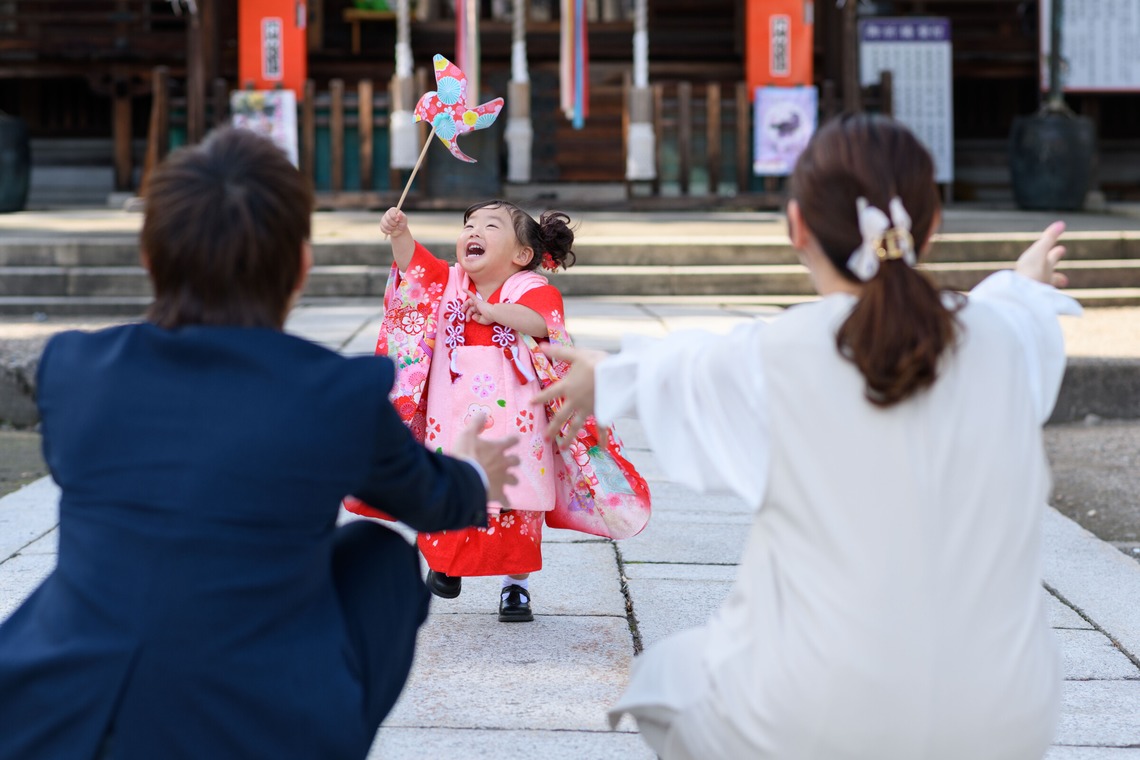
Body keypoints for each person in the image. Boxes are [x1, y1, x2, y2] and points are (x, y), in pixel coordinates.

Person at [536, 113, 1081, 759]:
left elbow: (662, 370)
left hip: (815, 713)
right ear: (930, 227)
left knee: (673, 678)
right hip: (1007, 715)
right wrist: (1028, 274)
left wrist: (603, 375)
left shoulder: (775, 353)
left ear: (796, 227)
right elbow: (1016, 307)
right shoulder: (1001, 340)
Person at [0, 127, 519, 760]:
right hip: (258, 720)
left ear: (148, 256)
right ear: (299, 267)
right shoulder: (332, 393)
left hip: (50, 707)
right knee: (380, 556)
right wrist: (471, 473)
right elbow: (435, 502)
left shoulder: (74, 367)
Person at [346, 200, 648, 622]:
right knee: (451, 484)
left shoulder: (529, 289)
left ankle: (516, 587)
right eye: (468, 225)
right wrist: (399, 235)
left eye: (490, 226)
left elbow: (542, 321)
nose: (473, 232)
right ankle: (447, 564)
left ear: (522, 255)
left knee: (517, 504)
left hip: (517, 422)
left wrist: (492, 313)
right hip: (454, 415)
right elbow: (417, 272)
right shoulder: (450, 282)